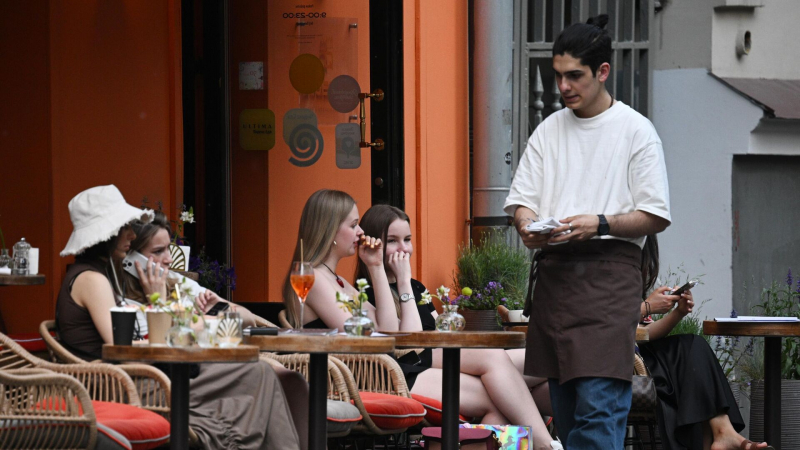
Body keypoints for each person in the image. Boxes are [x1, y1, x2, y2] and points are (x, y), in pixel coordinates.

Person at [505, 14, 672, 449]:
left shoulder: (636, 131)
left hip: (609, 281)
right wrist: (526, 226)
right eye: (557, 75)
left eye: (574, 76)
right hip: (554, 281)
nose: (563, 86)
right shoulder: (548, 131)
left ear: (602, 72)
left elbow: (655, 214)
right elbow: (521, 201)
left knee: (598, 417)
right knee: (567, 416)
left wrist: (599, 222)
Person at [55, 185, 301, 450]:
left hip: (144, 375)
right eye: (124, 226)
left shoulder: (101, 276)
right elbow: (122, 349)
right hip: (123, 384)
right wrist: (159, 301)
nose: (131, 233)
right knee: (259, 374)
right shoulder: (92, 279)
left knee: (260, 373)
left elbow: (239, 319)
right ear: (106, 234)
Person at [282, 189, 540, 435]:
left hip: (385, 369)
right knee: (501, 397)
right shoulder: (310, 275)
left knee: (504, 397)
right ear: (330, 229)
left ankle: (545, 445)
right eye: (353, 225)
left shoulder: (339, 281)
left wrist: (375, 267)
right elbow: (363, 340)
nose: (360, 232)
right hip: (370, 376)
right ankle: (547, 445)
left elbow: (390, 333)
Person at [356, 204, 561, 450]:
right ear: (375, 244)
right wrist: (402, 281)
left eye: (407, 239)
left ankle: (560, 437)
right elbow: (409, 342)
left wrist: (407, 282)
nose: (404, 249)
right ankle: (547, 445)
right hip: (408, 368)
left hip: (440, 359)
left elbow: (438, 335)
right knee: (500, 387)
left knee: (546, 359)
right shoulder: (367, 291)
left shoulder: (417, 286)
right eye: (392, 241)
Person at [123, 211, 310, 450]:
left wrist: (215, 311)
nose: (169, 259)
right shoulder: (126, 305)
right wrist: (160, 301)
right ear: (132, 259)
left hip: (209, 369)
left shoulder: (179, 285)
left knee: (288, 379)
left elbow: (247, 319)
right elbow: (174, 339)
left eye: (169, 249)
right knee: (264, 377)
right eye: (158, 252)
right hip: (176, 379)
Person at [636, 236, 771, 450]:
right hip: (621, 360)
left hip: (640, 351)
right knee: (688, 364)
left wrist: (678, 313)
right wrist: (645, 307)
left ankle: (723, 433)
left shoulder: (625, 277)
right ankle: (722, 437)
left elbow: (642, 333)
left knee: (694, 345)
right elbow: (607, 326)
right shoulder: (601, 275)